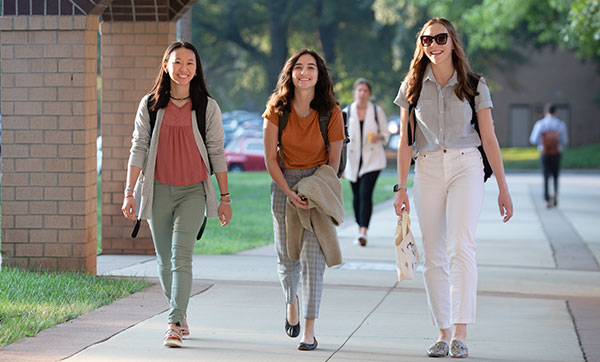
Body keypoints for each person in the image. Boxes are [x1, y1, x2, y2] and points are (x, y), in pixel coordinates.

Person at [393, 18, 513, 358]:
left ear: (453, 41)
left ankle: (461, 331)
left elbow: (489, 138)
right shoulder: (412, 84)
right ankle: (442, 333)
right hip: (428, 168)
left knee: (462, 246)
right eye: (427, 39)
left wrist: (503, 188)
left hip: (466, 165)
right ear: (422, 44)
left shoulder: (474, 84)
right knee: (434, 254)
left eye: (440, 38)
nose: (434, 45)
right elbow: (405, 142)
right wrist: (400, 188)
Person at [121, 41, 232, 348]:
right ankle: (180, 314)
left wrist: (225, 198)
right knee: (163, 259)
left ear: (197, 70)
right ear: (166, 66)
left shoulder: (207, 107)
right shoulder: (150, 105)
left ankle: (172, 322)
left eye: (190, 64)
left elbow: (217, 152)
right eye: (178, 62)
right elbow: (138, 147)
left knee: (180, 257)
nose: (184, 69)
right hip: (157, 191)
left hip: (193, 191)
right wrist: (130, 192)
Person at [263, 48, 344, 351]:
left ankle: (309, 329)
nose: (305, 72)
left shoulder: (331, 112)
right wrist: (289, 192)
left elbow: (333, 162)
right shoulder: (276, 109)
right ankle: (291, 300)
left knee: (313, 260)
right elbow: (271, 160)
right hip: (285, 183)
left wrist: (314, 191)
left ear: (319, 74)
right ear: (291, 73)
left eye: (311, 67)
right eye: (299, 67)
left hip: (318, 185)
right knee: (287, 256)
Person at [344, 78, 390, 246]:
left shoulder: (377, 111)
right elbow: (339, 138)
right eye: (359, 90)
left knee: (365, 194)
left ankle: (363, 231)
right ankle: (359, 227)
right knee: (356, 196)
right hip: (352, 161)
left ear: (369, 94)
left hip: (373, 161)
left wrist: (380, 136)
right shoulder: (347, 111)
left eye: (365, 90)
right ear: (355, 93)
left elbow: (386, 133)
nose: (362, 93)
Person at [529, 103, 568, 208]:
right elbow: (564, 140)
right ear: (555, 112)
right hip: (556, 153)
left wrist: (542, 143)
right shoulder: (560, 125)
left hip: (545, 153)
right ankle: (555, 192)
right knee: (555, 176)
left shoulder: (540, 124)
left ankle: (547, 199)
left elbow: (533, 139)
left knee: (546, 176)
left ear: (546, 112)